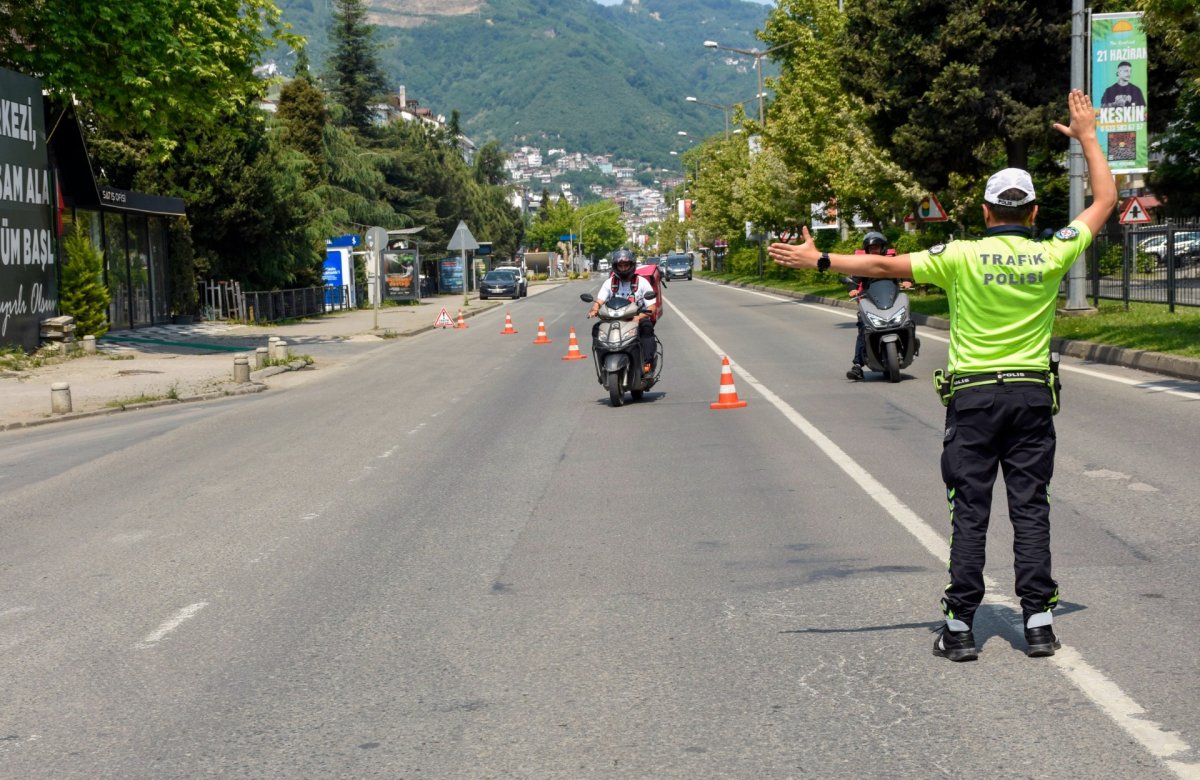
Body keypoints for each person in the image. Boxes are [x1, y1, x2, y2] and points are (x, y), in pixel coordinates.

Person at [767, 89, 1117, 662]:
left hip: (974, 401)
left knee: (970, 513)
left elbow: (881, 264)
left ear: (985, 213)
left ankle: (959, 629)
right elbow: (1105, 198)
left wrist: (820, 259)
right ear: (1033, 213)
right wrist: (1087, 137)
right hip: (1031, 397)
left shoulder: (959, 255)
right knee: (1031, 509)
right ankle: (1038, 623)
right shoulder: (1052, 253)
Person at [846, 231, 913, 381]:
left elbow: (904, 271)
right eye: (871, 248)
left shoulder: (892, 262)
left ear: (883, 248)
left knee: (908, 320)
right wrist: (852, 288)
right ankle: (857, 365)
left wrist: (907, 280)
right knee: (863, 328)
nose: (874, 250)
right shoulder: (863, 265)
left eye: (876, 247)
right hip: (871, 302)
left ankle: (911, 344)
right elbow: (853, 280)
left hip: (892, 300)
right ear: (867, 250)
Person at [587, 249, 657, 375]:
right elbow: (600, 300)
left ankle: (647, 363)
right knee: (597, 329)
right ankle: (603, 360)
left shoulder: (642, 282)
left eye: (626, 265)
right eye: (620, 266)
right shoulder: (610, 283)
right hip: (613, 320)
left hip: (636, 319)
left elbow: (652, 307)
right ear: (616, 267)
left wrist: (638, 318)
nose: (623, 268)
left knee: (647, 328)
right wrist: (595, 309)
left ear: (631, 265)